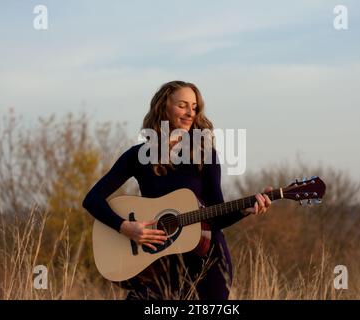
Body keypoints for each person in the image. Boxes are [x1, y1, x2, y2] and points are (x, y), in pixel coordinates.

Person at [82, 80, 272, 300]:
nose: (190, 112)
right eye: (183, 105)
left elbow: (216, 215)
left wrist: (244, 209)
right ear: (164, 107)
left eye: (194, 107)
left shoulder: (205, 154)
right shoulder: (137, 156)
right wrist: (125, 227)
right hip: (156, 263)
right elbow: (92, 199)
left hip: (207, 261)